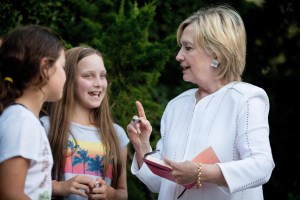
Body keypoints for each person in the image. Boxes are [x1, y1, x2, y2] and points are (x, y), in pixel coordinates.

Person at [126, 4, 275, 200]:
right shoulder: (176, 105)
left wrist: (201, 172)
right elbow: (160, 184)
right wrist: (142, 146)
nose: (178, 56)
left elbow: (262, 166)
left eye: (188, 47)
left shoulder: (246, 98)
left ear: (216, 53)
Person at [40, 47, 129, 200]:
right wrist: (60, 187)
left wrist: (109, 194)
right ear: (68, 80)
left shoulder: (116, 134)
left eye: (102, 76)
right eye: (88, 76)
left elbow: (123, 193)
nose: (98, 83)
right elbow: (27, 185)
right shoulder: (47, 127)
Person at [0, 24, 66, 199]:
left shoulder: (25, 120)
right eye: (63, 66)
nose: (65, 75)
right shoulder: (21, 122)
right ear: (45, 67)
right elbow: (10, 193)